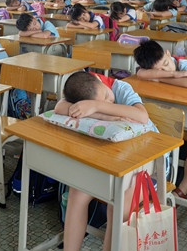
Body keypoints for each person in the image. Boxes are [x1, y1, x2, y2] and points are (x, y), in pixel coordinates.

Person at [54, 71, 160, 251]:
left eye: (105, 96)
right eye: (102, 102)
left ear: (99, 79)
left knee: (118, 203)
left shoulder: (120, 88)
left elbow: (142, 116)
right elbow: (59, 107)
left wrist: (96, 106)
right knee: (76, 193)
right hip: (112, 160)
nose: (108, 101)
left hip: (149, 165)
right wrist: (103, 115)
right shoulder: (83, 91)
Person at [133, 39, 187, 200]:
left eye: (166, 63)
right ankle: (159, 180)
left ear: (168, 53)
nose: (165, 69)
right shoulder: (164, 70)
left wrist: (159, 77)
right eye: (159, 70)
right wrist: (173, 75)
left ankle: (184, 188)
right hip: (178, 113)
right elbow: (141, 74)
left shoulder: (184, 64)